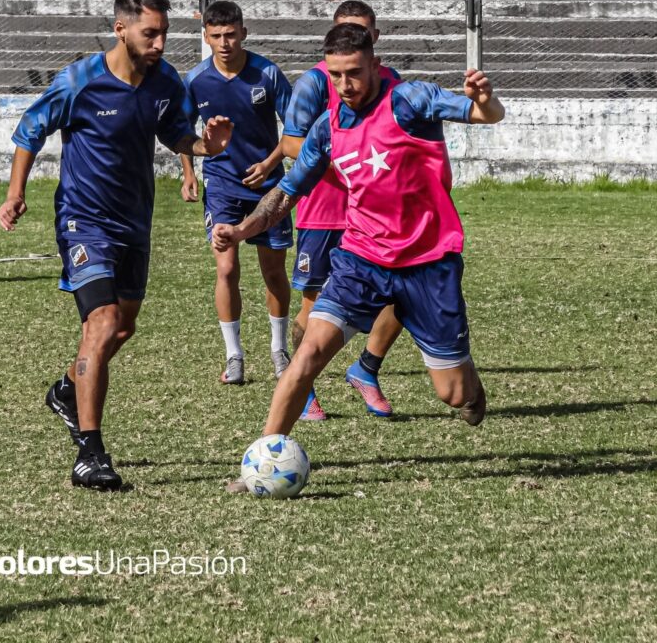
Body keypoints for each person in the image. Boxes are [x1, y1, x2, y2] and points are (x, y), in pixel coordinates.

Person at [214, 24, 505, 494]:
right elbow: (287, 193)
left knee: (455, 396)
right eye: (336, 76)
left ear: (374, 61)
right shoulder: (328, 127)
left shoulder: (410, 100)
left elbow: (485, 114)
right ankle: (261, 464)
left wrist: (484, 98)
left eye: (354, 73)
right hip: (361, 259)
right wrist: (243, 229)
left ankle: (470, 386)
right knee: (306, 354)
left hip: (428, 263)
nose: (346, 86)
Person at [0, 0, 232, 492]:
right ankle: (90, 452)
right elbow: (29, 130)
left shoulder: (165, 81)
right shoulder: (80, 80)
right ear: (120, 28)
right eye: (151, 33)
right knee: (100, 325)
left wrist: (204, 146)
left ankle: (66, 389)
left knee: (121, 329)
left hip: (134, 222)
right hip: (84, 219)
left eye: (165, 33)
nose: (161, 44)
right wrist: (16, 193)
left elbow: (174, 132)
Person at [281, 0, 400, 420]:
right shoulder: (315, 83)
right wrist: (342, 161)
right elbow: (292, 142)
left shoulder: (392, 84)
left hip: (379, 215)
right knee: (314, 307)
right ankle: (303, 384)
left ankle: (367, 368)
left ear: (374, 41)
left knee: (401, 295)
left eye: (361, 33)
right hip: (324, 211)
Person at [178, 1, 293, 385]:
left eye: (231, 34)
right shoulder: (196, 80)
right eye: (216, 36)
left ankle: (279, 350)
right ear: (205, 36)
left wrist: (269, 163)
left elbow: (294, 130)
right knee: (226, 268)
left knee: (273, 272)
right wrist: (189, 173)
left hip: (269, 187)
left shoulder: (268, 74)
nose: (224, 43)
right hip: (223, 186)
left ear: (244, 32)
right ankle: (234, 355)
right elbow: (183, 131)